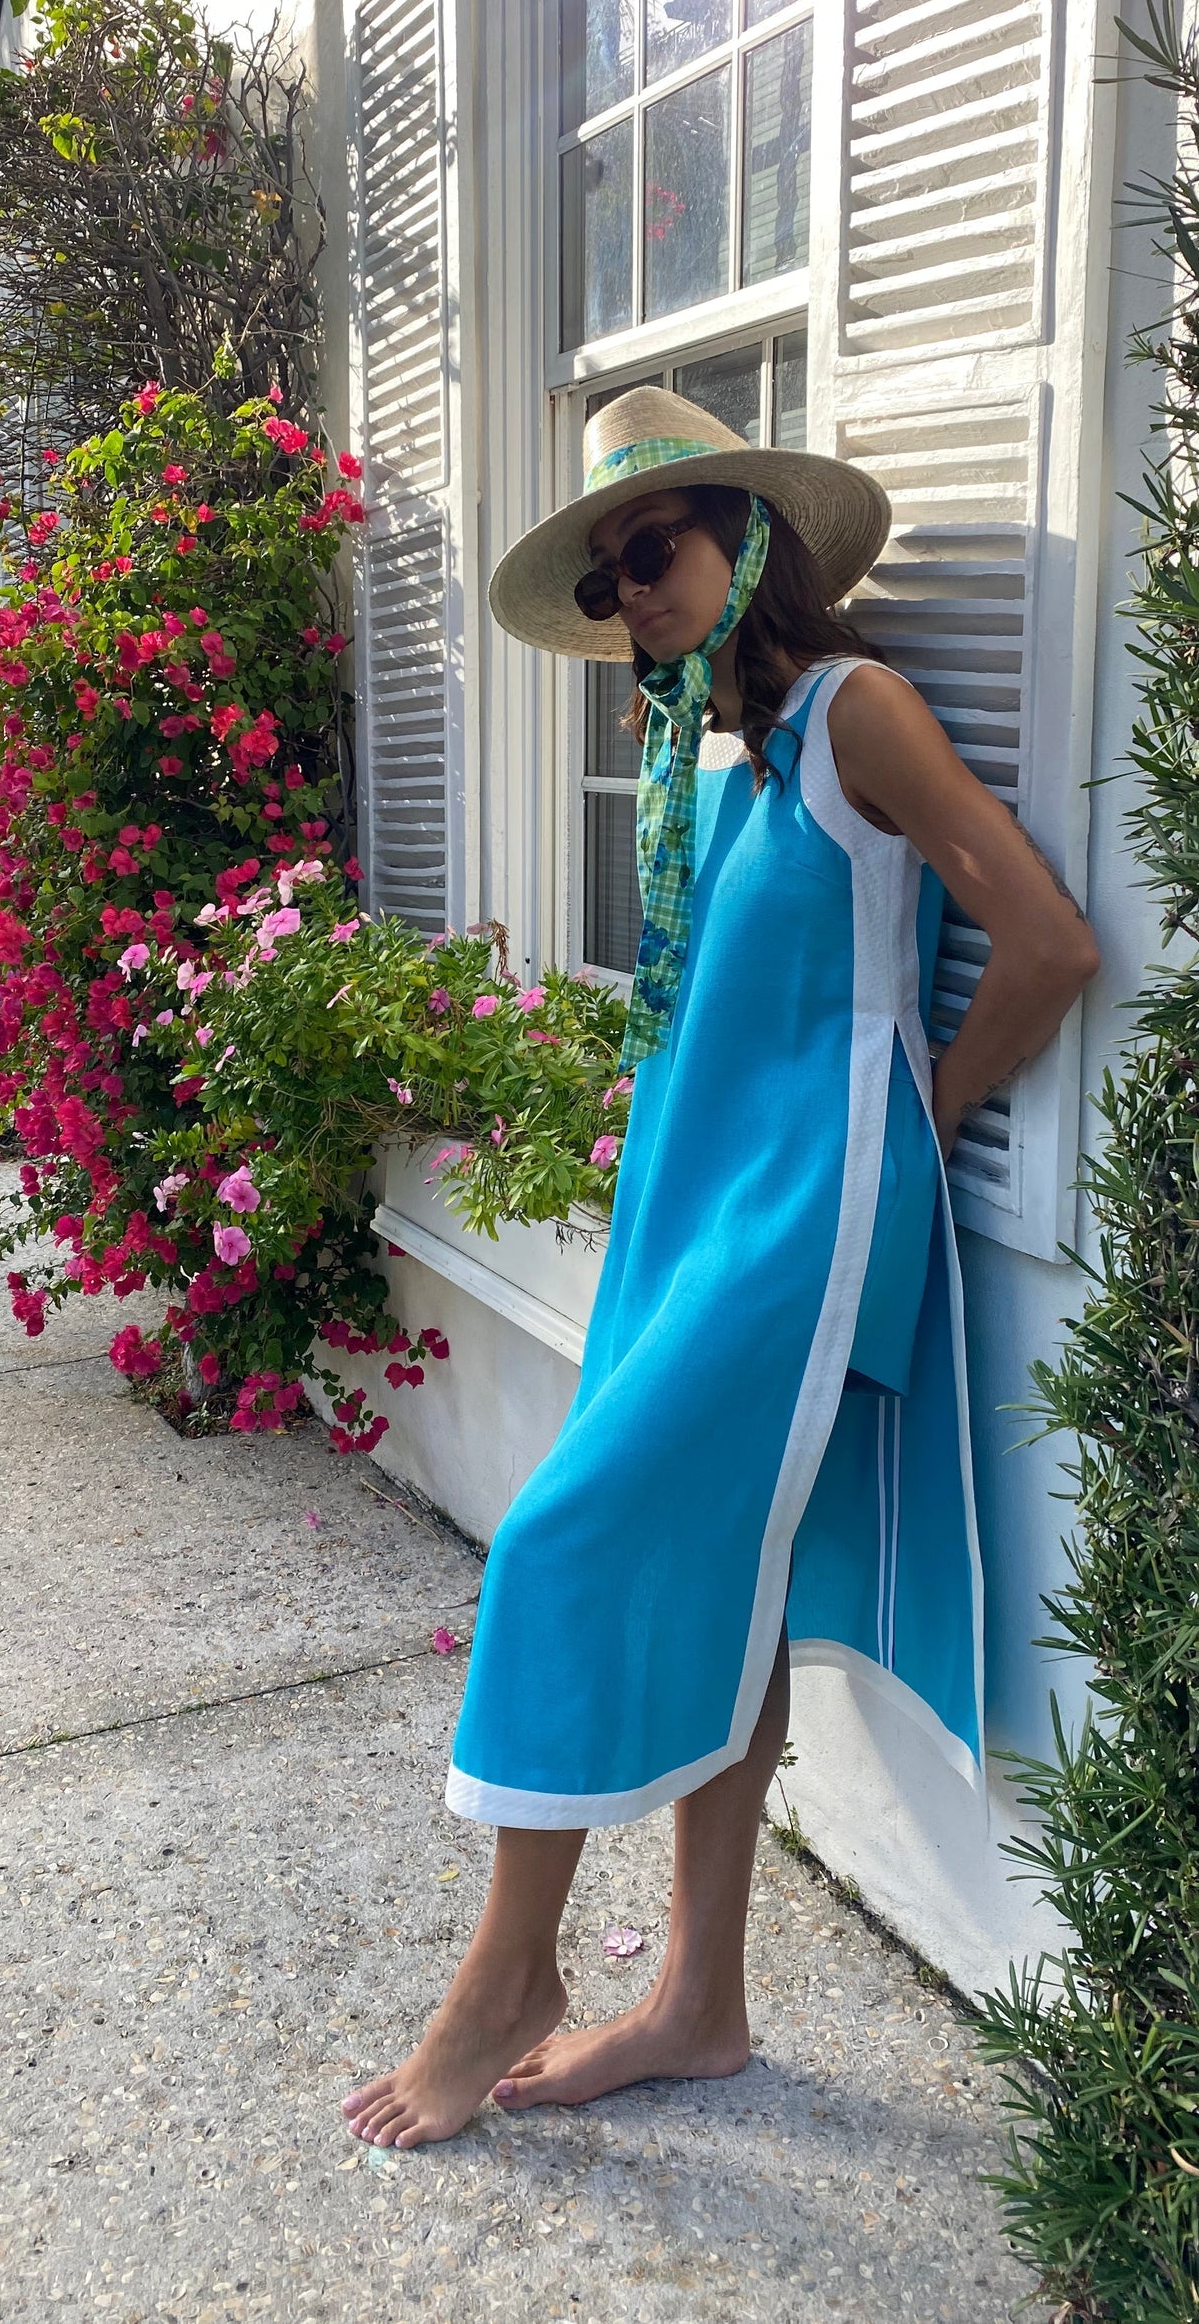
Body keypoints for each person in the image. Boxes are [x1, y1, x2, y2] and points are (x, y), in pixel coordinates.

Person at [341, 386, 1098, 2149]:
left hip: (794, 1221)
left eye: (652, 547)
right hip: (684, 1210)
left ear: (746, 536)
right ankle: (699, 2002)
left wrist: (912, 1120)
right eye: (603, 576)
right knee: (728, 1588)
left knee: (559, 1538)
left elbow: (1047, 944)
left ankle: (506, 1977)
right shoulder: (702, 750)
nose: (631, 590)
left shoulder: (854, 713)